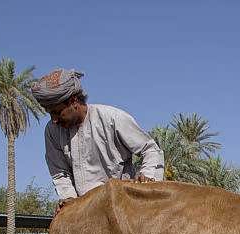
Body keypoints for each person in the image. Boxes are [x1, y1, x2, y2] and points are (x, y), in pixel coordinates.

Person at [31, 68, 164, 210]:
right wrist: (69, 199)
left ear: (73, 101)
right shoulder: (52, 131)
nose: (54, 119)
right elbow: (60, 173)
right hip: (85, 210)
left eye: (57, 112)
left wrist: (147, 178)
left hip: (123, 206)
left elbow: (150, 149)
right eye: (50, 114)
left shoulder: (112, 118)